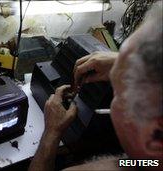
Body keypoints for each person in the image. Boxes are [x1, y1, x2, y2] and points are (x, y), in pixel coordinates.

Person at [29, 4, 162, 171]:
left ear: (154, 137)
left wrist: (51, 133)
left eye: (119, 94)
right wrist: (125, 61)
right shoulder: (149, 161)